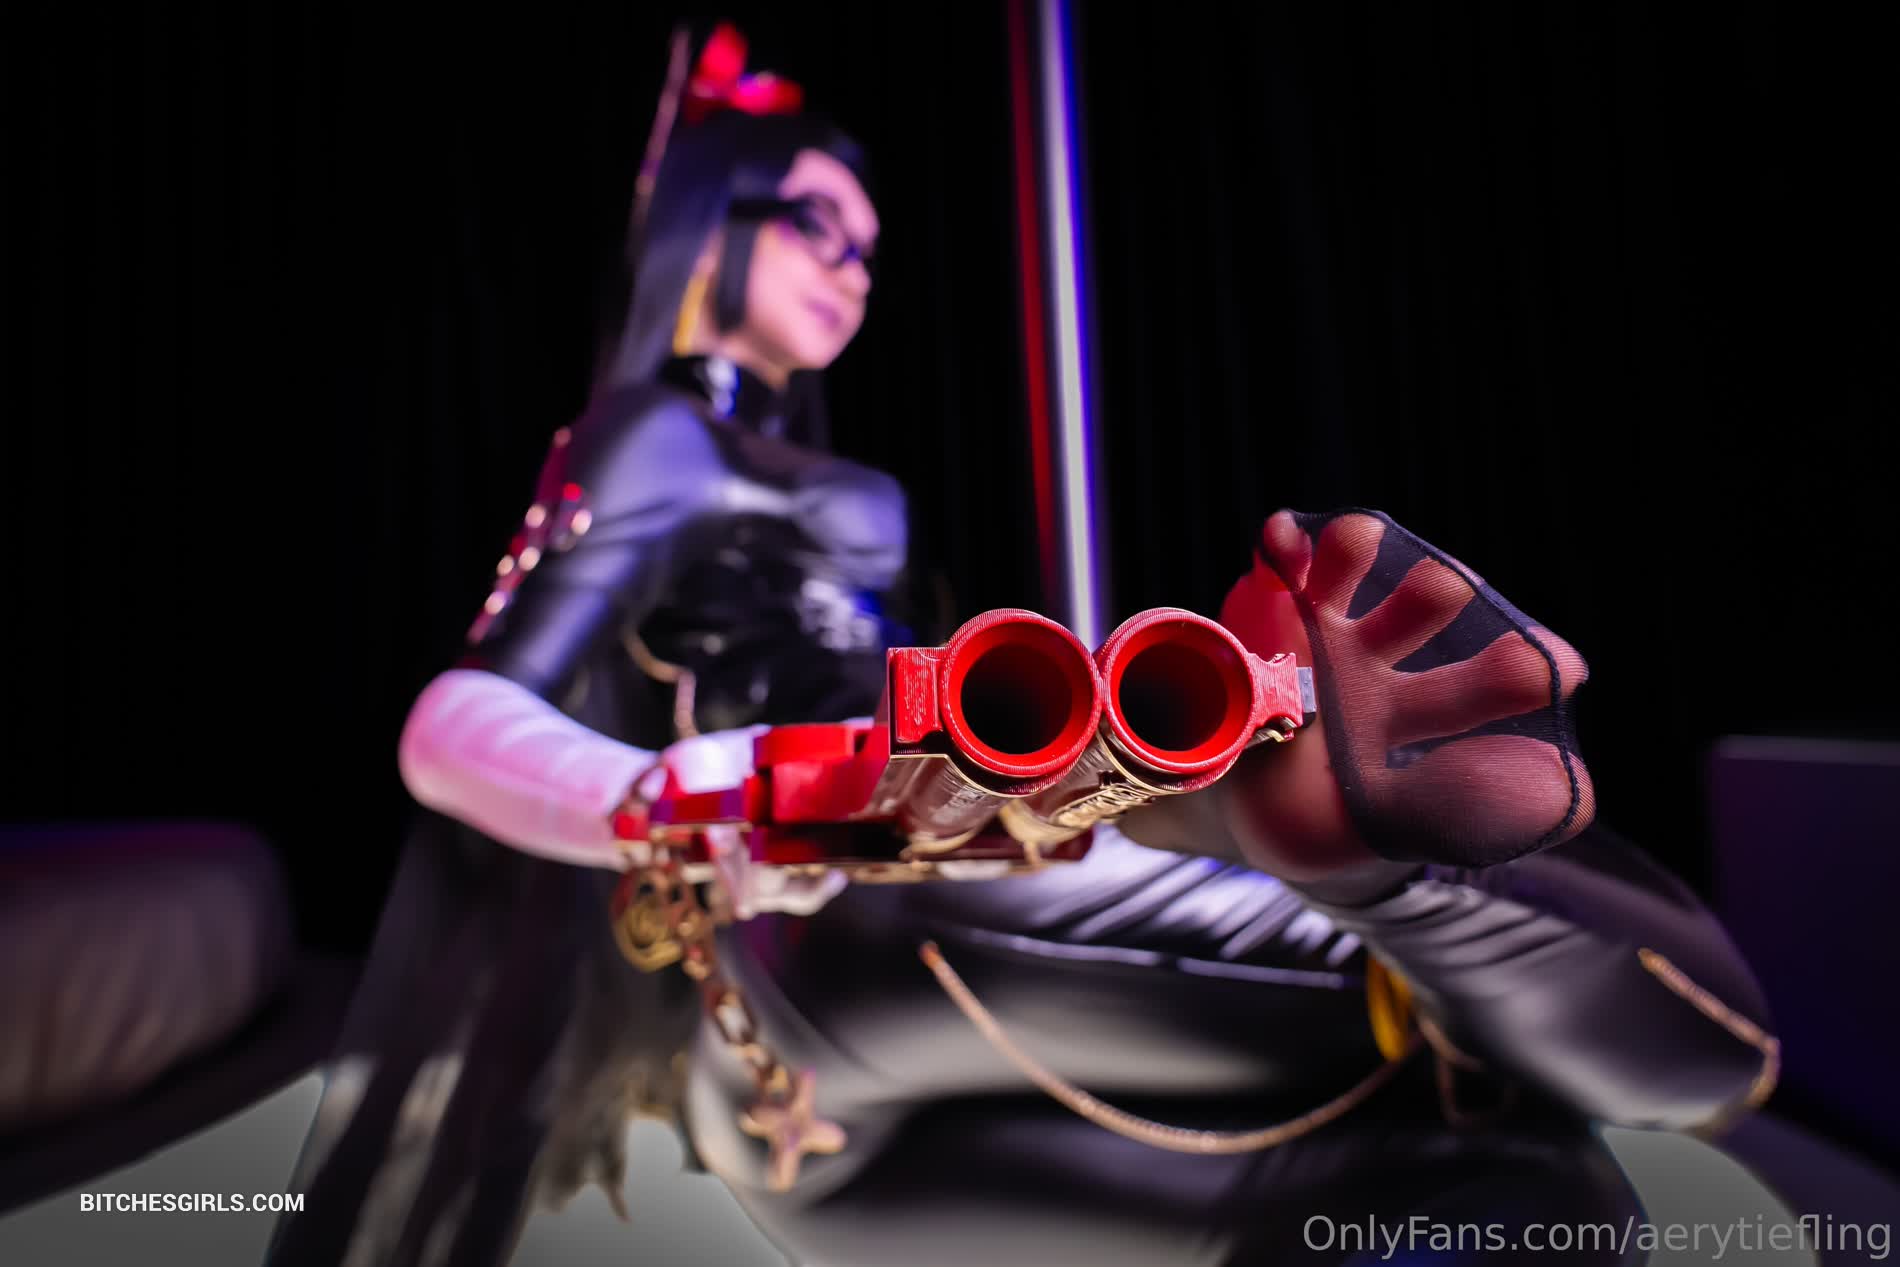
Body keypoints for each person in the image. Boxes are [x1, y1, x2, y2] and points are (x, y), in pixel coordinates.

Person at [269, 24, 1777, 1266]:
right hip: (844, 925)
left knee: (1540, 1204)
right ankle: (1374, 872)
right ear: (704, 226)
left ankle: (1368, 875)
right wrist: (710, 794)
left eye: (870, 246)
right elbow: (452, 725)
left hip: (801, 1117)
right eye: (815, 223)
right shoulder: (655, 436)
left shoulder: (824, 479)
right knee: (1616, 1042)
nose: (854, 268)